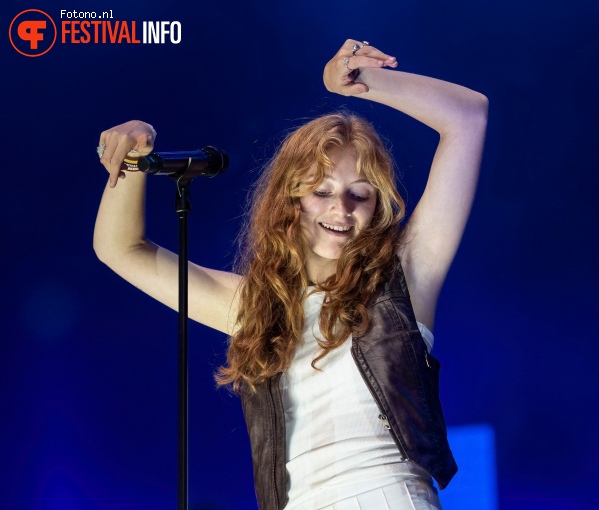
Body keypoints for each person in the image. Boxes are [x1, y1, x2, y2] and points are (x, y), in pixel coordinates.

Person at [94, 40, 487, 510]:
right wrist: (136, 151)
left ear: (377, 206)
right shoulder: (253, 306)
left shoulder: (404, 277)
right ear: (291, 201)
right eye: (321, 191)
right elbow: (120, 249)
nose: (341, 208)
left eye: (359, 194)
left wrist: (357, 82)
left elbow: (468, 118)